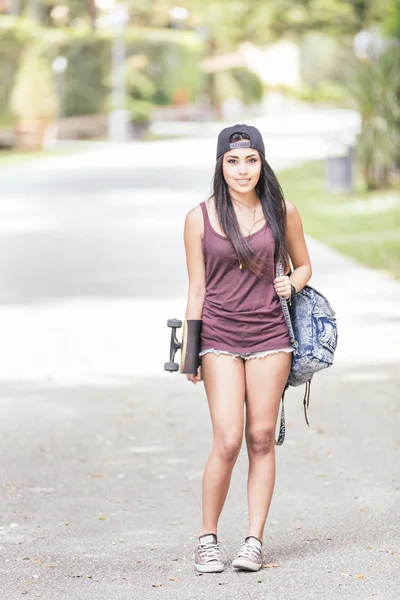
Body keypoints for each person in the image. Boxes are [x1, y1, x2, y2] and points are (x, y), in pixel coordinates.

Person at [182, 124, 312, 573]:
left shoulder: (282, 210)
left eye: (251, 160)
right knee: (228, 439)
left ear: (262, 162)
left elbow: (305, 265)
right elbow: (196, 287)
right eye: (233, 161)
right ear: (221, 164)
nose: (243, 170)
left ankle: (254, 540)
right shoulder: (199, 217)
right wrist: (190, 350)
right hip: (218, 336)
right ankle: (207, 539)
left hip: (270, 337)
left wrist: (290, 282)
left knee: (260, 437)